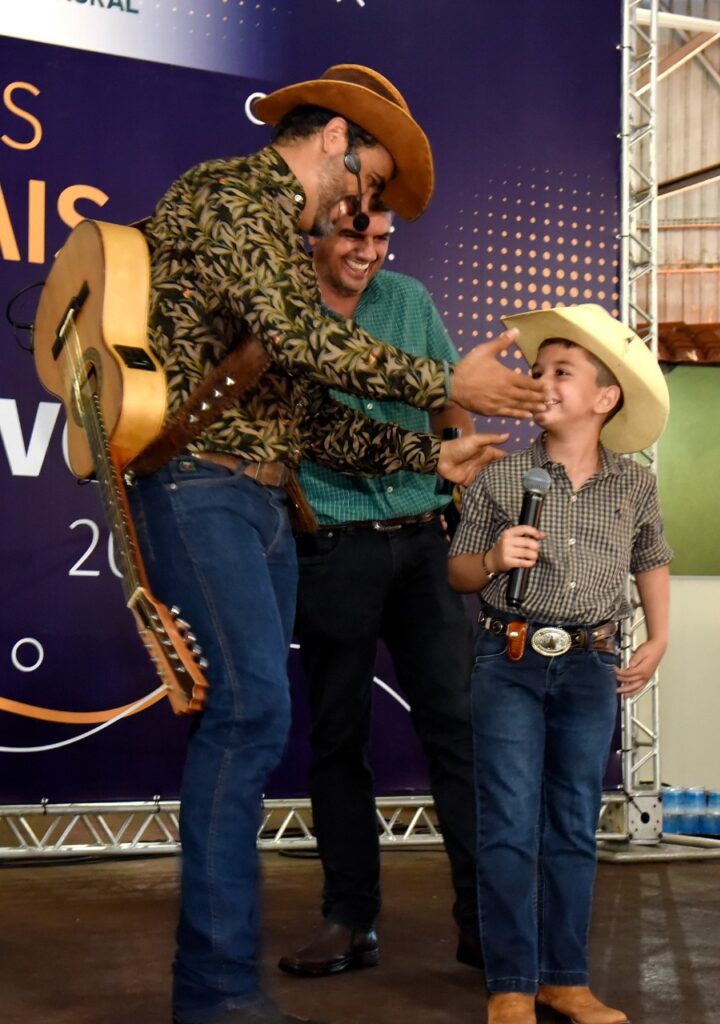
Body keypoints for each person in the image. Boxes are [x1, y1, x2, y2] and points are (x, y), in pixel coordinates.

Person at [128, 65, 546, 1024]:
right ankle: (217, 993)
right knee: (250, 719)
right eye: (371, 182)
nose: (363, 209)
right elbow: (302, 341)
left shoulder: (279, 237)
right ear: (333, 142)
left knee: (256, 721)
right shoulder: (229, 195)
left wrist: (429, 455)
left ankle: (224, 987)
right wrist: (447, 384)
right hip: (201, 485)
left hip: (263, 498)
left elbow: (310, 414)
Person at [448, 304, 672, 1024]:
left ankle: (565, 979)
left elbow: (651, 559)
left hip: (590, 665)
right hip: (508, 659)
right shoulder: (503, 475)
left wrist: (659, 637)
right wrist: (491, 559)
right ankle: (511, 983)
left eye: (562, 371)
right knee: (508, 823)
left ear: (605, 399)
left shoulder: (634, 484)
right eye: (537, 369)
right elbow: (458, 570)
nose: (542, 380)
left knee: (573, 822)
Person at [277, 207, 481, 979]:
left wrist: (456, 459)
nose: (367, 251)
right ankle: (350, 920)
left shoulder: (411, 299)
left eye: (380, 238)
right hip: (330, 547)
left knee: (459, 730)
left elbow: (447, 399)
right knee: (338, 738)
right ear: (314, 232)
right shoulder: (281, 306)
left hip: (424, 541)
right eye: (351, 235)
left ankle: (484, 922)